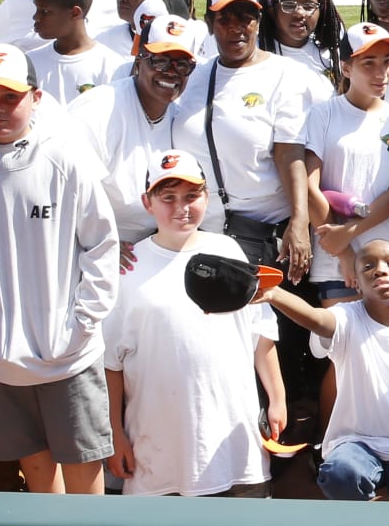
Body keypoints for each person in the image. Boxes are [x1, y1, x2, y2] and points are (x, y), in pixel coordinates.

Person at [0, 44, 120, 495]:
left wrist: (82, 325)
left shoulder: (66, 159)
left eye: (9, 97)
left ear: (34, 97)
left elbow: (101, 245)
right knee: (35, 471)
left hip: (69, 356)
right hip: (1, 358)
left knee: (82, 467)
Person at [105, 149, 284, 497]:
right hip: (157, 450)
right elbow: (111, 363)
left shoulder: (229, 251)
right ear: (147, 202)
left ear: (206, 196)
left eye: (191, 196)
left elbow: (260, 332)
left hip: (235, 442)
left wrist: (277, 398)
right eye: (167, 198)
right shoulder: (128, 267)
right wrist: (115, 433)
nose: (181, 208)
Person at [250, 238, 389, 501]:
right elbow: (317, 318)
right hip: (356, 446)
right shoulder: (346, 317)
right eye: (367, 267)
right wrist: (272, 293)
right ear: (357, 284)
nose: (380, 270)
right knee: (342, 473)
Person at [174, 0, 330, 275]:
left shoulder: (285, 74)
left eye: (245, 18)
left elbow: (290, 154)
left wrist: (300, 221)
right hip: (202, 231)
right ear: (209, 23)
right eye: (224, 19)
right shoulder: (196, 76)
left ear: (259, 20)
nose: (236, 28)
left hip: (264, 235)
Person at [303, 22, 389, 301]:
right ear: (346, 68)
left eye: (387, 62)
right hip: (336, 262)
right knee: (341, 342)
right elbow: (309, 187)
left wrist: (349, 231)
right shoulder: (323, 114)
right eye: (368, 63)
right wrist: (343, 250)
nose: (381, 73)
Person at [73, 14, 205, 245]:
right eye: (160, 61)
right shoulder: (97, 110)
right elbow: (68, 194)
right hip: (101, 246)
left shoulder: (181, 116)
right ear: (138, 60)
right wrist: (99, 246)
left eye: (182, 64)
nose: (171, 72)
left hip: (159, 242)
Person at [28, 0, 132, 101]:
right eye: (37, 9)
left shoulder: (112, 66)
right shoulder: (29, 62)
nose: (36, 17)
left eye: (45, 11)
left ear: (75, 13)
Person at [263, 0, 346, 86]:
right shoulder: (257, 52)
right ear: (272, 11)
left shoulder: (332, 53)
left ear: (320, 12)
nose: (299, 13)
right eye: (288, 5)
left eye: (309, 6)